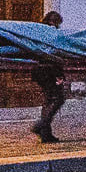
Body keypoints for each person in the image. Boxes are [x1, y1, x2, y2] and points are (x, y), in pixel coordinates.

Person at [31, 9, 69, 144]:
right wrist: (59, 75)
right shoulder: (52, 33)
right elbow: (52, 55)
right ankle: (41, 125)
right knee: (58, 99)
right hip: (49, 71)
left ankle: (46, 134)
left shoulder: (39, 31)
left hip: (40, 71)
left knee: (48, 100)